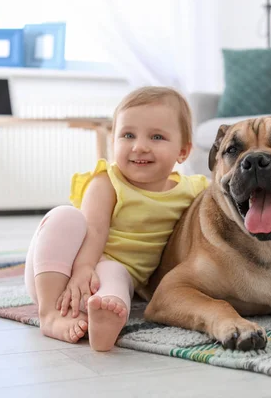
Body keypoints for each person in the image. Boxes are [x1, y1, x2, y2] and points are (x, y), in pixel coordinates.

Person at [24, 86, 208, 351]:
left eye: (156, 137)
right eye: (128, 135)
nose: (140, 146)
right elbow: (94, 231)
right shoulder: (107, 181)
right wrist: (83, 268)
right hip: (59, 270)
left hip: (113, 276)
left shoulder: (193, 189)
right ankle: (50, 314)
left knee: (115, 279)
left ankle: (101, 320)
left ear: (183, 151)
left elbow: (223, 200)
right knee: (66, 217)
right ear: (114, 143)